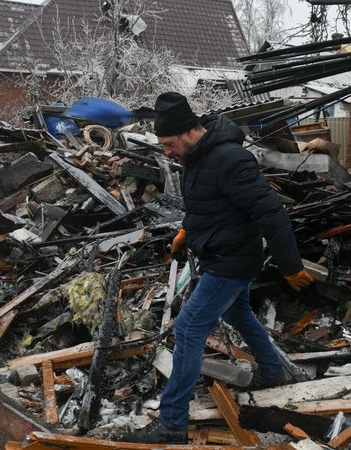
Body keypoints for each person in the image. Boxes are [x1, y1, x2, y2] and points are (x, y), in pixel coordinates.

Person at [121, 92, 313, 445]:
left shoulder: (230, 158)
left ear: (189, 132)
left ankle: (172, 423)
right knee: (240, 315)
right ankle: (272, 372)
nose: (165, 151)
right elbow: (205, 205)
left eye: (168, 144)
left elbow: (271, 212)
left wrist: (290, 265)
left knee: (189, 329)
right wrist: (185, 232)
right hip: (218, 255)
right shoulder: (197, 156)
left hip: (232, 261)